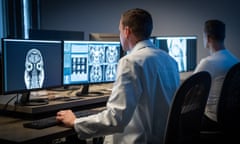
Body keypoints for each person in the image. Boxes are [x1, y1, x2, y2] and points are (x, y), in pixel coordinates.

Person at [56, 8, 180, 144]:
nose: (120, 35)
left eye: (119, 30)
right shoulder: (169, 60)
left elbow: (116, 119)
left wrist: (75, 121)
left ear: (126, 32)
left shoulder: (130, 62)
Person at [193, 19, 239, 129]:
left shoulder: (208, 63)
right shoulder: (235, 61)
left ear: (207, 38)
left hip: (212, 120)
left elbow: (191, 91)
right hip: (232, 119)